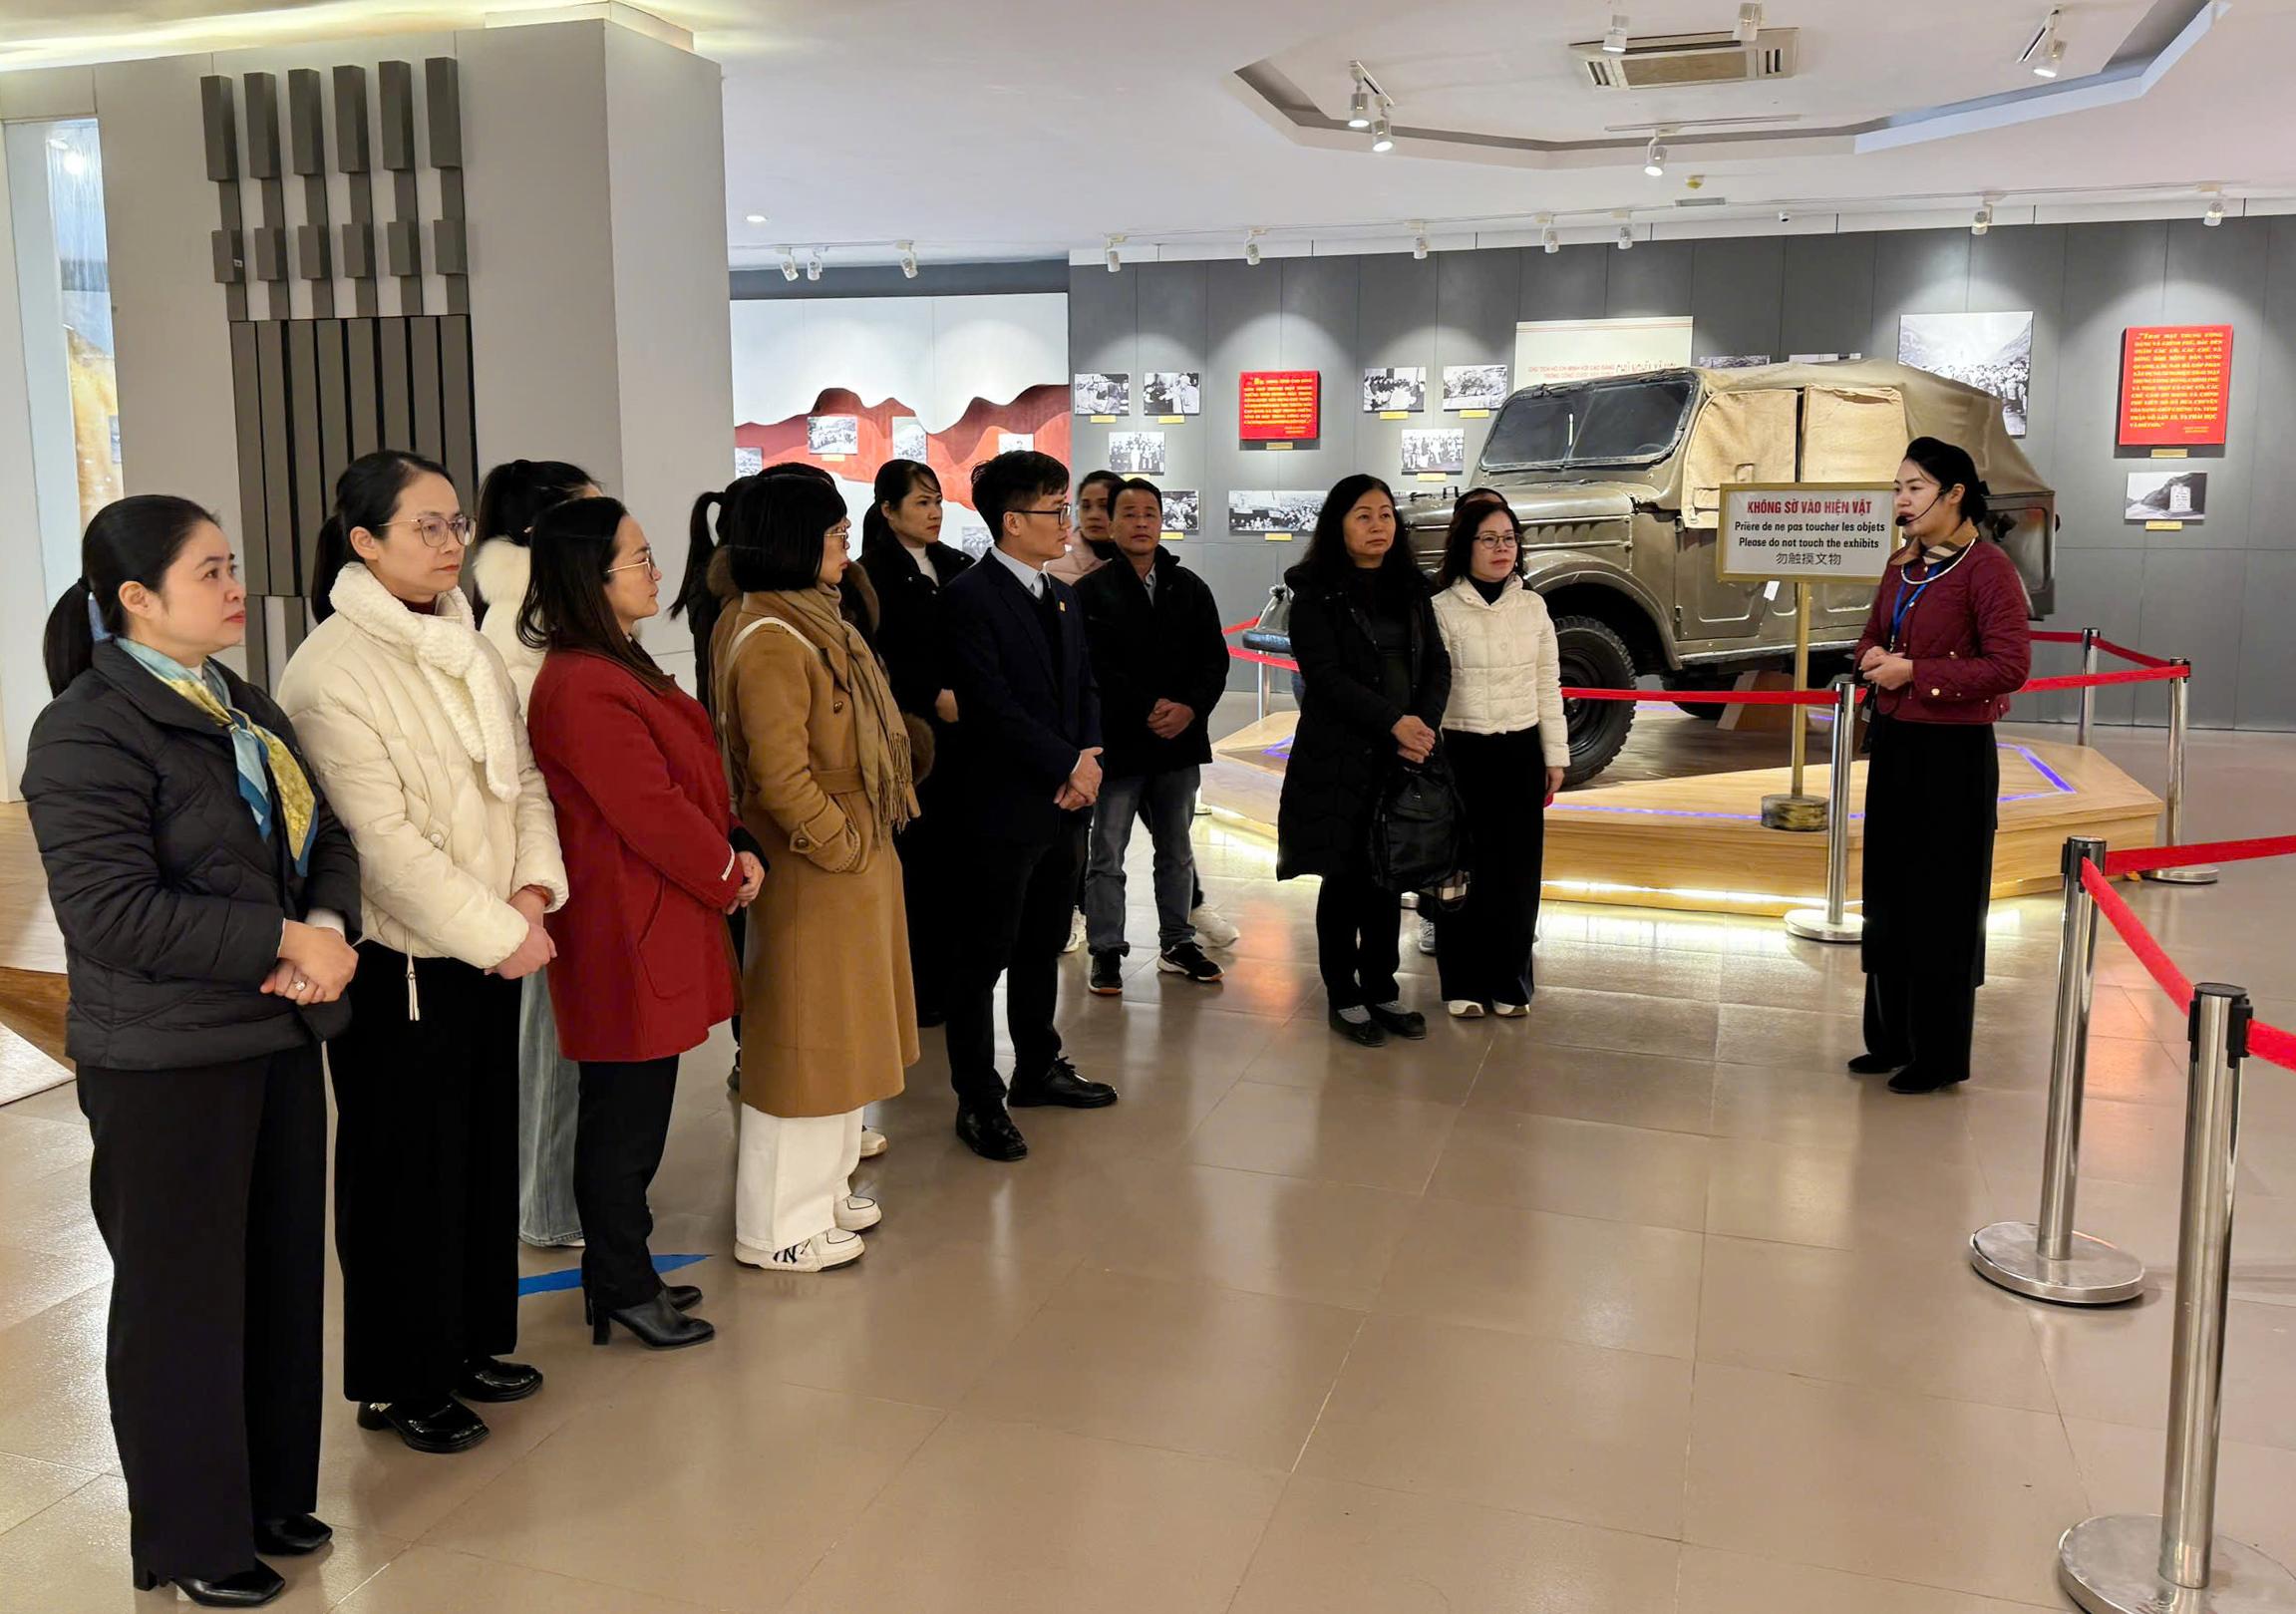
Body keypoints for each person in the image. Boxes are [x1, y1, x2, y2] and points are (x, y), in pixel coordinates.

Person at [24, 497, 361, 1609]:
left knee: (277, 1279)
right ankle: (191, 1536)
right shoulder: (85, 728)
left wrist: (326, 927)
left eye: (232, 564)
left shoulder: (238, 700)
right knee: (182, 1302)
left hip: (275, 1031)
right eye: (209, 570)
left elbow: (325, 835)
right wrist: (282, 940)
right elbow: (111, 912)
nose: (233, 586)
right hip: (165, 1059)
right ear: (136, 596)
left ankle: (267, 1495)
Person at [278, 450, 568, 1455]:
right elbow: (381, 849)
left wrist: (529, 894)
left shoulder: (463, 635)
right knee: (405, 1174)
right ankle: (402, 1377)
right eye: (426, 526)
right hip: (404, 963)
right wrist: (503, 931)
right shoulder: (327, 671)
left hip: (491, 944)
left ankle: (469, 1341)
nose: (450, 542)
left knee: (479, 1155)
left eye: (456, 523)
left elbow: (521, 778)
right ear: (365, 542)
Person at [521, 496, 756, 1346]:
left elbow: (688, 778)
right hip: (622, 924)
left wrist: (732, 840)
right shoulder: (582, 682)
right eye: (640, 558)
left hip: (651, 910)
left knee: (637, 1110)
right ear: (592, 576)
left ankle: (625, 1270)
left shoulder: (617, 660)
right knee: (622, 1119)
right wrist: (726, 869)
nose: (656, 571)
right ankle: (619, 1279)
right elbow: (648, 807)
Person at [713, 475, 916, 1268]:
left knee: (844, 1031)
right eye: (833, 535)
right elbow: (778, 774)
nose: (845, 547)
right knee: (802, 1039)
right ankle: (777, 1227)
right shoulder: (770, 634)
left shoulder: (813, 617)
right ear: (793, 542)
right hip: (815, 861)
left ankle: (825, 1189)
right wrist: (839, 843)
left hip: (850, 851)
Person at [937, 451, 1118, 1161]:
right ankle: (977, 1098)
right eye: (1055, 508)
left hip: (1064, 803)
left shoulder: (1060, 594)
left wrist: (1089, 757)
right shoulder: (968, 597)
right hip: (1000, 805)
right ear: (1012, 521)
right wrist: (1066, 763)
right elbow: (990, 705)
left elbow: (1087, 687)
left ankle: (1037, 1066)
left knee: (1042, 942)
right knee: (982, 955)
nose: (1067, 520)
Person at [1851, 437, 2032, 1095]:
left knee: (1943, 903)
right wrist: (1872, 658)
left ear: (1954, 494)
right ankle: (1889, 1038)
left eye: (1915, 488)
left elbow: (2009, 666)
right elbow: (1871, 634)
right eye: (1897, 488)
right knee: (1889, 894)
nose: (1901, 500)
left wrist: (1916, 672)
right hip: (1896, 743)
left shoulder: (1988, 570)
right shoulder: (1902, 564)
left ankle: (1937, 1052)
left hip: (1953, 755)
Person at [470, 458, 596, 1252]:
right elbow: (531, 764)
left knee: (563, 1031)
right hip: (547, 856)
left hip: (564, 846)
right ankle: (547, 1203)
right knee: (552, 1037)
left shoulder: (545, 610)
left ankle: (553, 1194)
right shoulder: (521, 622)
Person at [1276, 473, 1451, 1047]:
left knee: (1387, 877)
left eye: (1385, 514)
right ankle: (1343, 992)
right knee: (1345, 878)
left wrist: (1422, 725)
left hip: (1402, 755)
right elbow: (1325, 678)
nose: (1378, 526)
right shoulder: (1314, 591)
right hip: (1341, 757)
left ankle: (1381, 985)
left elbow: (1438, 663)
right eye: (1363, 515)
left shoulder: (1412, 587)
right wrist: (1393, 722)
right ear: (1339, 525)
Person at [1077, 479, 1229, 995]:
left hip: (1178, 744)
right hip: (1120, 743)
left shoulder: (1190, 588)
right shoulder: (1091, 592)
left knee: (1177, 849)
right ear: (1112, 524)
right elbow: (1094, 667)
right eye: (1129, 513)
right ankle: (1105, 948)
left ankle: (1177, 942)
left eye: (1150, 513)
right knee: (1107, 852)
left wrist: (1189, 708)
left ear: (1162, 522)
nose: (1141, 522)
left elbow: (1214, 661)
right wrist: (1146, 707)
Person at [1428, 497, 1566, 1018]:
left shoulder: (1532, 607)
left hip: (1520, 750)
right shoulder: (1442, 609)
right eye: (1488, 539)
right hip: (1461, 751)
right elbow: (1433, 693)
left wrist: (1555, 755)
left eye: (1508, 538)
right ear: (1465, 546)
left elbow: (1547, 686)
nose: (1501, 548)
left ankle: (1510, 981)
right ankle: (1462, 981)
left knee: (1517, 872)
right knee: (1461, 870)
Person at [857, 458, 975, 1027]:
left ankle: (957, 982)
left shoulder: (958, 565)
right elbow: (873, 660)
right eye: (921, 502)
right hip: (908, 740)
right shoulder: (869, 575)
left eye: (937, 501)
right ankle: (919, 988)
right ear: (888, 509)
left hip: (967, 736)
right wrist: (930, 693)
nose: (934, 513)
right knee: (919, 867)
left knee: (960, 867)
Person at [1413, 485, 1508, 957]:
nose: (1498, 545)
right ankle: (1434, 916)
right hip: (1450, 737)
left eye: (1504, 533)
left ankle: (1503, 919)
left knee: (1498, 843)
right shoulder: (1436, 595)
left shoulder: (1524, 598)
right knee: (1443, 838)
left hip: (1504, 739)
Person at [1046, 468, 1124, 953]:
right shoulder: (1056, 570)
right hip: (1079, 723)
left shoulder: (1140, 570)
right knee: (1081, 822)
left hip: (1127, 721)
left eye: (1105, 505)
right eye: (1085, 504)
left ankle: (1190, 908)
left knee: (1159, 826)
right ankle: (1075, 908)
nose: (1094, 515)